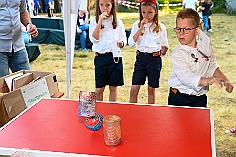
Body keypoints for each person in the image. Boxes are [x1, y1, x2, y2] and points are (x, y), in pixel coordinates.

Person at [168, 8, 233, 107]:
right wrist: (207, 81)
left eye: (186, 29)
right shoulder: (178, 53)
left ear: (197, 30)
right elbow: (186, 77)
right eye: (178, 29)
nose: (181, 33)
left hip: (199, 97)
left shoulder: (206, 47)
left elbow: (212, 66)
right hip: (178, 97)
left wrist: (225, 80)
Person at [128, 0, 169, 104]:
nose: (146, 15)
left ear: (155, 11)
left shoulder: (160, 28)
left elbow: (164, 47)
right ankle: (132, 112)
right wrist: (141, 28)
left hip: (154, 59)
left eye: (150, 12)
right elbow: (131, 43)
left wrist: (164, 51)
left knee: (151, 89)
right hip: (141, 58)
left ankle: (150, 114)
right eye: (144, 12)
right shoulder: (136, 25)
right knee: (134, 89)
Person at [89, 0, 127, 102]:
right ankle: (100, 112)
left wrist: (121, 43)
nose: (104, 8)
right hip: (100, 57)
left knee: (113, 87)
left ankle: (112, 111)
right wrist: (100, 22)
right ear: (98, 6)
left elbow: (124, 38)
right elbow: (94, 39)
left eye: (107, 5)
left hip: (114, 57)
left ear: (112, 5)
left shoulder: (118, 22)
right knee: (99, 89)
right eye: (101, 5)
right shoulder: (94, 21)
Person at [0, 0, 38, 77]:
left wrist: (29, 25)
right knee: (2, 87)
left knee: (27, 83)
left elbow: (23, 10)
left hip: (18, 45)